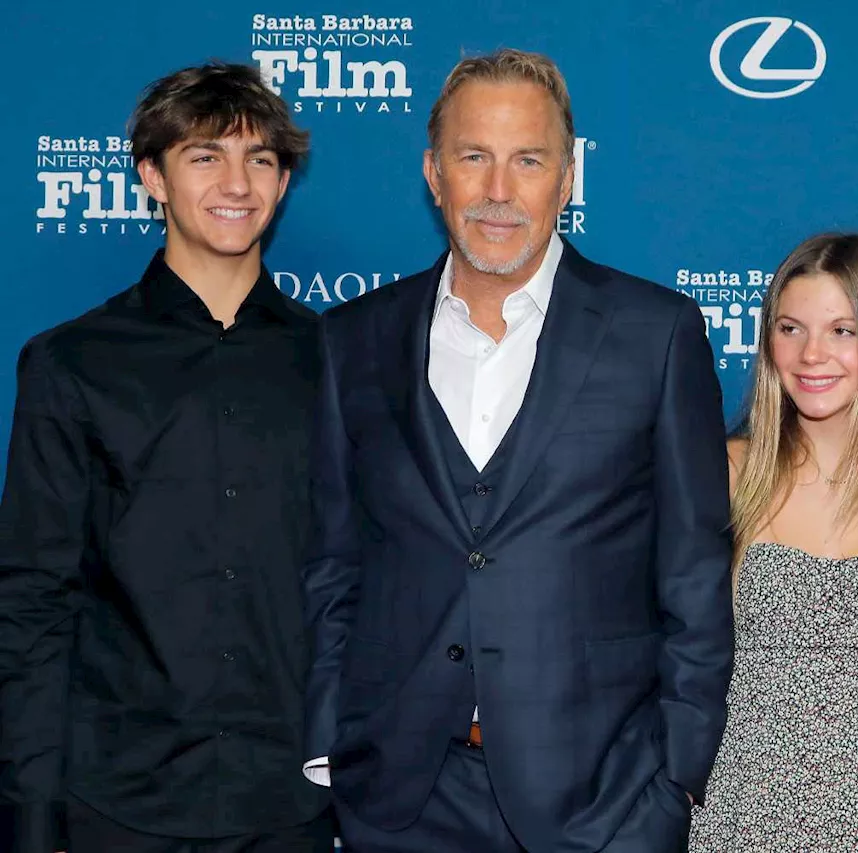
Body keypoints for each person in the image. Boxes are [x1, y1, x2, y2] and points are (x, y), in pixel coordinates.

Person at [301, 48, 733, 853]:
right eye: (475, 157)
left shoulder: (656, 335)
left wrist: (675, 777)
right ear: (435, 173)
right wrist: (334, 748)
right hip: (399, 800)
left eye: (527, 160)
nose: (499, 191)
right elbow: (333, 560)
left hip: (603, 806)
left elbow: (695, 575)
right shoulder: (354, 339)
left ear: (567, 178)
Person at [0, 63, 332, 852]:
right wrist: (30, 808)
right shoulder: (72, 361)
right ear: (152, 176)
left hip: (287, 801)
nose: (237, 182)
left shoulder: (336, 363)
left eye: (260, 159)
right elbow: (32, 600)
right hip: (117, 799)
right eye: (204, 155)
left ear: (284, 182)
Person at [688, 233, 858, 852]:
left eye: (842, 330)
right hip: (735, 818)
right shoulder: (721, 477)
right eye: (791, 328)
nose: (812, 353)